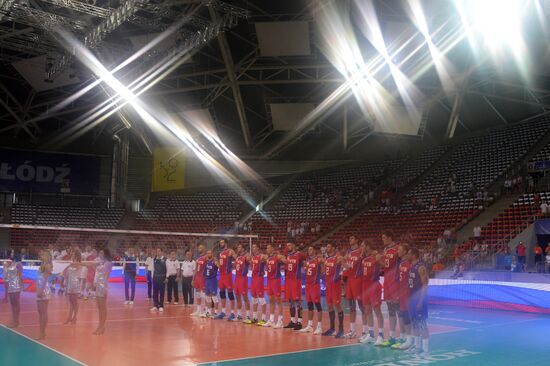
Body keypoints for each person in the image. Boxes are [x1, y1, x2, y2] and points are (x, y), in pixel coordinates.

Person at [358, 245, 385, 345]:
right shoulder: (363, 258)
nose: (362, 247)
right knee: (367, 310)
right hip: (365, 286)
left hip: (374, 285)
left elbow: (384, 265)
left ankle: (381, 335)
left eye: (363, 245)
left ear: (368, 246)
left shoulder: (376, 256)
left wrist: (379, 258)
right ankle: (371, 334)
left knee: (377, 310)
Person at [378, 230, 400, 347]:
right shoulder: (385, 250)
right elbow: (384, 265)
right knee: (390, 309)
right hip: (386, 281)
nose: (383, 240)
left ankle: (403, 338)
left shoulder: (398, 249)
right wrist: (379, 260)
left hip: (395, 282)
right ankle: (392, 337)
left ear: (390, 237)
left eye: (384, 237)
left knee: (399, 309)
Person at [407, 247, 429, 357]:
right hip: (411, 299)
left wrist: (421, 301)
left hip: (419, 299)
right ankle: (417, 347)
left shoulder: (420, 267)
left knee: (422, 323)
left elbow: (425, 285)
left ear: (414, 255)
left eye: (409, 253)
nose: (407, 255)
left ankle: (425, 350)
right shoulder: (411, 267)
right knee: (414, 323)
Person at [392, 244, 413, 350]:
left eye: (399, 249)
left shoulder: (409, 264)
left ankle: (410, 341)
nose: (397, 251)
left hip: (408, 293)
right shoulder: (401, 263)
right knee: (404, 315)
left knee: (409, 316)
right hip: (402, 293)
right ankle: (406, 338)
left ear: (405, 251)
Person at [299, 246, 323, 335]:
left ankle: (319, 327)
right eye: (308, 249)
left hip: (315, 285)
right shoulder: (308, 261)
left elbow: (323, 269)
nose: (309, 251)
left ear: (315, 251)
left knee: (318, 306)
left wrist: (320, 272)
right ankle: (310, 325)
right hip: (308, 286)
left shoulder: (318, 259)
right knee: (309, 306)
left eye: (311, 249)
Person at [343, 235, 364, 339]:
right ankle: (352, 330)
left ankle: (365, 332)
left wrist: (343, 262)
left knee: (362, 306)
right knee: (351, 306)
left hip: (358, 280)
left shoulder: (361, 250)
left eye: (352, 238)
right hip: (350, 280)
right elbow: (347, 266)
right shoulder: (349, 252)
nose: (350, 240)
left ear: (356, 239)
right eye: (349, 238)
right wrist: (343, 262)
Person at [283, 242, 305, 331]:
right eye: (287, 245)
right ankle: (292, 321)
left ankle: (299, 322)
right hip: (289, 280)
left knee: (298, 301)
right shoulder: (287, 255)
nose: (288, 247)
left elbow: (305, 260)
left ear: (294, 246)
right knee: (290, 301)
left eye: (290, 245)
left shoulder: (298, 254)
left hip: (296, 280)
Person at [263, 244, 285, 328]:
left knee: (278, 300)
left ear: (272, 248)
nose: (267, 249)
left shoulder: (277, 257)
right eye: (266, 248)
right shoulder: (267, 258)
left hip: (276, 280)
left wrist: (281, 257)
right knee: (270, 299)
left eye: (269, 248)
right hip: (269, 280)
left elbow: (284, 259)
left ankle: (280, 321)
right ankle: (271, 320)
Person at [93, 248, 113, 335]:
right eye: (99, 252)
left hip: (103, 286)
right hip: (98, 285)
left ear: (105, 254)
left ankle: (102, 326)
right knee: (99, 307)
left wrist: (97, 264)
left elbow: (104, 272)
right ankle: (100, 326)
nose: (100, 254)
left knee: (103, 308)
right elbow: (95, 268)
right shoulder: (100, 262)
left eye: (102, 252)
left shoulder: (108, 263)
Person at [246, 244, 266, 325]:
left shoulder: (261, 256)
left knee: (261, 298)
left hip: (259, 278)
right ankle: (254, 318)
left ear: (258, 248)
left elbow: (265, 258)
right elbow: (252, 266)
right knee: (254, 297)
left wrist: (264, 258)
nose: (253, 248)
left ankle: (264, 319)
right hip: (253, 278)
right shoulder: (253, 257)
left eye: (254, 247)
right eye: (252, 247)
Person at [216, 239, 236, 320]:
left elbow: (237, 259)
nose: (221, 244)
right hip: (221, 275)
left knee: (230, 293)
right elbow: (217, 261)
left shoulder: (230, 250)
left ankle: (232, 313)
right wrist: (218, 266)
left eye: (222, 242)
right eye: (220, 242)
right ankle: (223, 312)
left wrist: (232, 263)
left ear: (226, 243)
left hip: (228, 275)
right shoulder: (219, 253)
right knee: (222, 293)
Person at [36, 250, 53, 340]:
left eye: (42, 254)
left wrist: (41, 291)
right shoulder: (42, 265)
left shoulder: (47, 265)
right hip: (40, 288)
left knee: (43, 313)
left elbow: (45, 279)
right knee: (40, 313)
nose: (40, 255)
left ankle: (42, 333)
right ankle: (42, 332)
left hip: (43, 289)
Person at [63, 250, 82, 325]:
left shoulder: (78, 263)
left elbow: (75, 266)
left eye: (73, 254)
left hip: (75, 283)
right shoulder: (71, 263)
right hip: (70, 283)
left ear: (76, 255)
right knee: (71, 301)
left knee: (75, 301)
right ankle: (69, 317)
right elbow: (67, 273)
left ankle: (75, 317)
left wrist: (69, 263)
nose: (72, 255)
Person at [4, 253, 23, 328]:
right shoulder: (11, 264)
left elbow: (20, 275)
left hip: (16, 285)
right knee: (12, 303)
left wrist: (21, 284)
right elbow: (7, 276)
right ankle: (14, 320)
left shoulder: (19, 264)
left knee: (16, 303)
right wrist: (6, 267)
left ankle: (16, 321)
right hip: (10, 285)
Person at [232, 244, 250, 322]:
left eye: (239, 247)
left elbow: (250, 261)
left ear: (243, 248)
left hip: (243, 278)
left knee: (245, 297)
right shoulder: (238, 257)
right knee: (237, 297)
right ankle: (239, 315)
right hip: (237, 278)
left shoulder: (246, 256)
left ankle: (248, 316)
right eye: (238, 247)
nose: (238, 248)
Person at [191, 245, 207, 317]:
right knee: (197, 294)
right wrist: (193, 279)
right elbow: (196, 269)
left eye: (200, 248)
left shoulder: (206, 257)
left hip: (203, 278)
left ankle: (206, 310)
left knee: (204, 294)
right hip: (197, 277)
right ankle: (198, 310)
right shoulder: (198, 258)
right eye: (199, 248)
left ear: (204, 249)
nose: (199, 249)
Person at [203, 250, 220, 318]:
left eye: (209, 253)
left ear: (212, 254)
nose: (208, 254)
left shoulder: (214, 261)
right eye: (207, 253)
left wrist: (217, 262)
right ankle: (209, 312)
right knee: (207, 297)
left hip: (213, 281)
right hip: (207, 281)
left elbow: (219, 267)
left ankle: (216, 313)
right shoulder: (207, 262)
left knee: (214, 297)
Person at [151, 247, 167, 312]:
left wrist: (167, 277)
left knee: (162, 292)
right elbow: (153, 268)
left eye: (159, 251)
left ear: (161, 252)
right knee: (155, 292)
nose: (158, 252)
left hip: (162, 278)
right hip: (155, 278)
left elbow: (167, 269)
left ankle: (161, 306)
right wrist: (152, 277)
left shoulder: (165, 259)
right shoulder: (154, 259)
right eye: (157, 251)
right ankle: (155, 305)